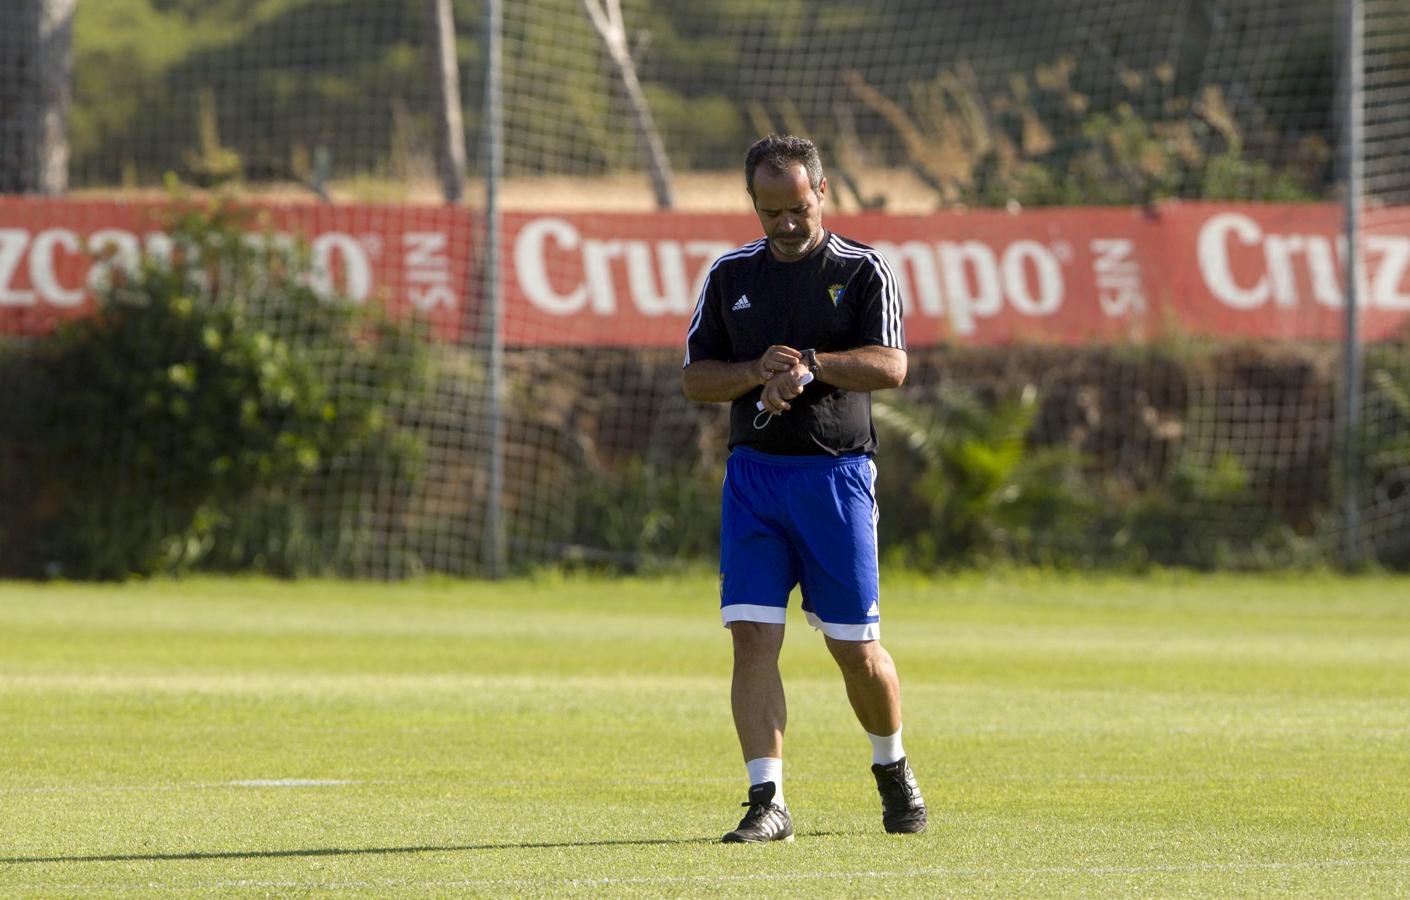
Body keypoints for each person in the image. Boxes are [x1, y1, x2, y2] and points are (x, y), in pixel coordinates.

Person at [682, 134, 926, 843]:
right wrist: (757, 372)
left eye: (797, 208)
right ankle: (768, 801)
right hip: (755, 481)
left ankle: (891, 764)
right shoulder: (730, 275)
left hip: (836, 480)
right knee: (752, 640)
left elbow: (892, 366)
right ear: (753, 205)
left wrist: (813, 365)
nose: (786, 224)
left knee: (855, 650)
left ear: (822, 192)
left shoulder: (863, 269)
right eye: (770, 211)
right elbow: (696, 378)